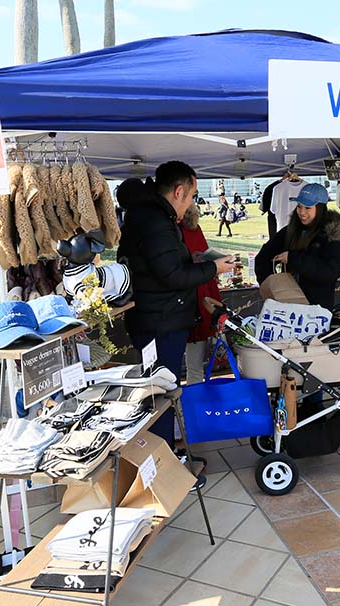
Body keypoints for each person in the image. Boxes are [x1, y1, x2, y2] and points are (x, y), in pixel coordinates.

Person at [116, 162, 236, 443]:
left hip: (157, 317)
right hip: (160, 321)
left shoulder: (150, 216)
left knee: (159, 390)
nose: (192, 202)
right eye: (192, 195)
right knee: (161, 392)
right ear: (179, 191)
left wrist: (192, 260)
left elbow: (163, 265)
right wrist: (212, 269)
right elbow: (171, 275)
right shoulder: (156, 220)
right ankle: (163, 459)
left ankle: (162, 456)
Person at [255, 183, 340, 310]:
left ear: (320, 208)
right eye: (299, 207)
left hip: (317, 310)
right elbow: (263, 256)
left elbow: (330, 272)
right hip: (287, 307)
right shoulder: (290, 231)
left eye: (307, 208)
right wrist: (269, 284)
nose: (302, 212)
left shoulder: (332, 236)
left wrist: (293, 258)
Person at [179, 204, 222, 385]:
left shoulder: (177, 231)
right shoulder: (193, 229)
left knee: (192, 364)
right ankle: (195, 403)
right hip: (201, 296)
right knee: (195, 364)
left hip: (191, 298)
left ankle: (192, 403)